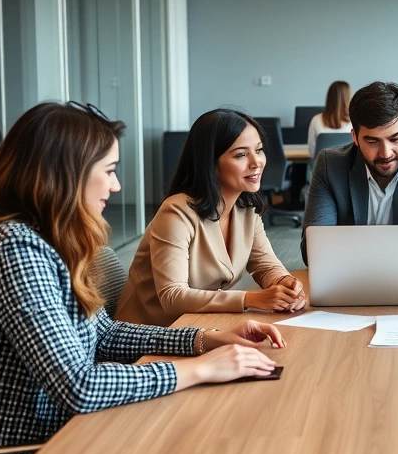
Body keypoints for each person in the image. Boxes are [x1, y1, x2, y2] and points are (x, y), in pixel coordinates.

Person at [0, 102, 287, 454]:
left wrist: (206, 339)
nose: (116, 185)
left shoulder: (51, 241)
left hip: (70, 428)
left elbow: (103, 335)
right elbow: (80, 386)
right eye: (108, 171)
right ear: (66, 174)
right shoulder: (14, 251)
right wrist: (201, 369)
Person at [116, 109, 306, 327]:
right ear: (211, 164)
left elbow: (265, 265)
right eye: (241, 155)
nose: (257, 162)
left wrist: (285, 284)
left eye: (259, 150)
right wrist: (250, 299)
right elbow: (172, 296)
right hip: (147, 334)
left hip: (197, 325)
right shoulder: (177, 213)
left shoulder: (245, 209)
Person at [301, 81, 398, 264]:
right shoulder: (330, 165)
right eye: (372, 141)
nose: (386, 153)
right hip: (349, 280)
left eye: (395, 138)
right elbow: (314, 249)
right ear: (355, 138)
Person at [307, 80, 353, 157]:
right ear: (347, 98)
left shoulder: (316, 120)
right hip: (347, 168)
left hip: (321, 167)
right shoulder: (354, 122)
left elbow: (312, 153)